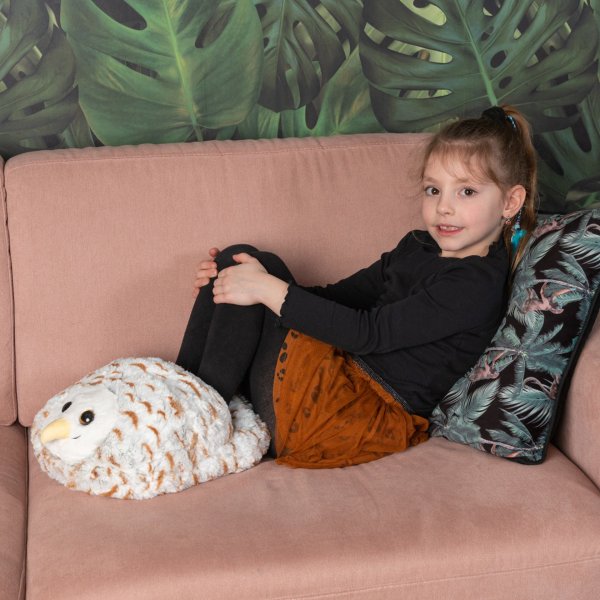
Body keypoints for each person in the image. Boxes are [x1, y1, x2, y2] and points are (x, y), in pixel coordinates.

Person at [176, 105, 538, 469]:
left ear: (510, 202)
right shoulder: (417, 247)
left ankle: (188, 422)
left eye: (467, 192)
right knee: (243, 261)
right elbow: (338, 299)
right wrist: (244, 285)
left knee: (253, 273)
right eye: (433, 190)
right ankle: (179, 397)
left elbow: (368, 334)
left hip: (347, 410)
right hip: (334, 373)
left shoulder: (474, 284)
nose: (444, 207)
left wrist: (262, 290)